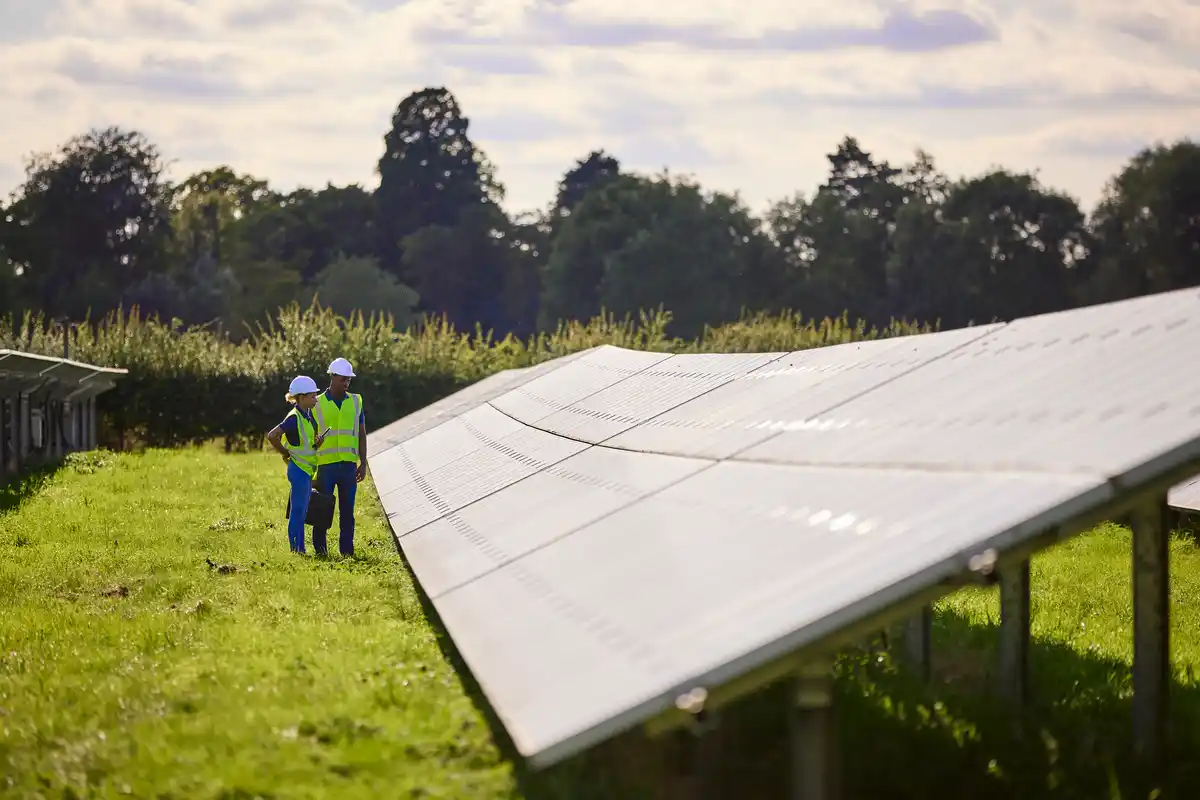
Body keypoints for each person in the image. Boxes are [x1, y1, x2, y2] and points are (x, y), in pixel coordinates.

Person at [311, 357, 367, 556]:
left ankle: (347, 552)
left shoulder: (355, 401)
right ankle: (320, 551)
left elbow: (361, 433)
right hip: (325, 466)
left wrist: (363, 463)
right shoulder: (315, 403)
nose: (346, 383)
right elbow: (307, 435)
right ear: (332, 377)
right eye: (343, 379)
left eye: (348, 380)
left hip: (348, 467)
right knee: (322, 510)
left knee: (347, 512)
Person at [266, 375, 326, 554]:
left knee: (302, 510)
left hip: (306, 470)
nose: (316, 398)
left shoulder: (307, 415)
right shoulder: (294, 418)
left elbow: (305, 443)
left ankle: (298, 548)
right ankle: (297, 550)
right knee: (298, 512)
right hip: (298, 470)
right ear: (301, 397)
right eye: (313, 395)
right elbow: (272, 435)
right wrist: (285, 453)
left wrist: (317, 442)